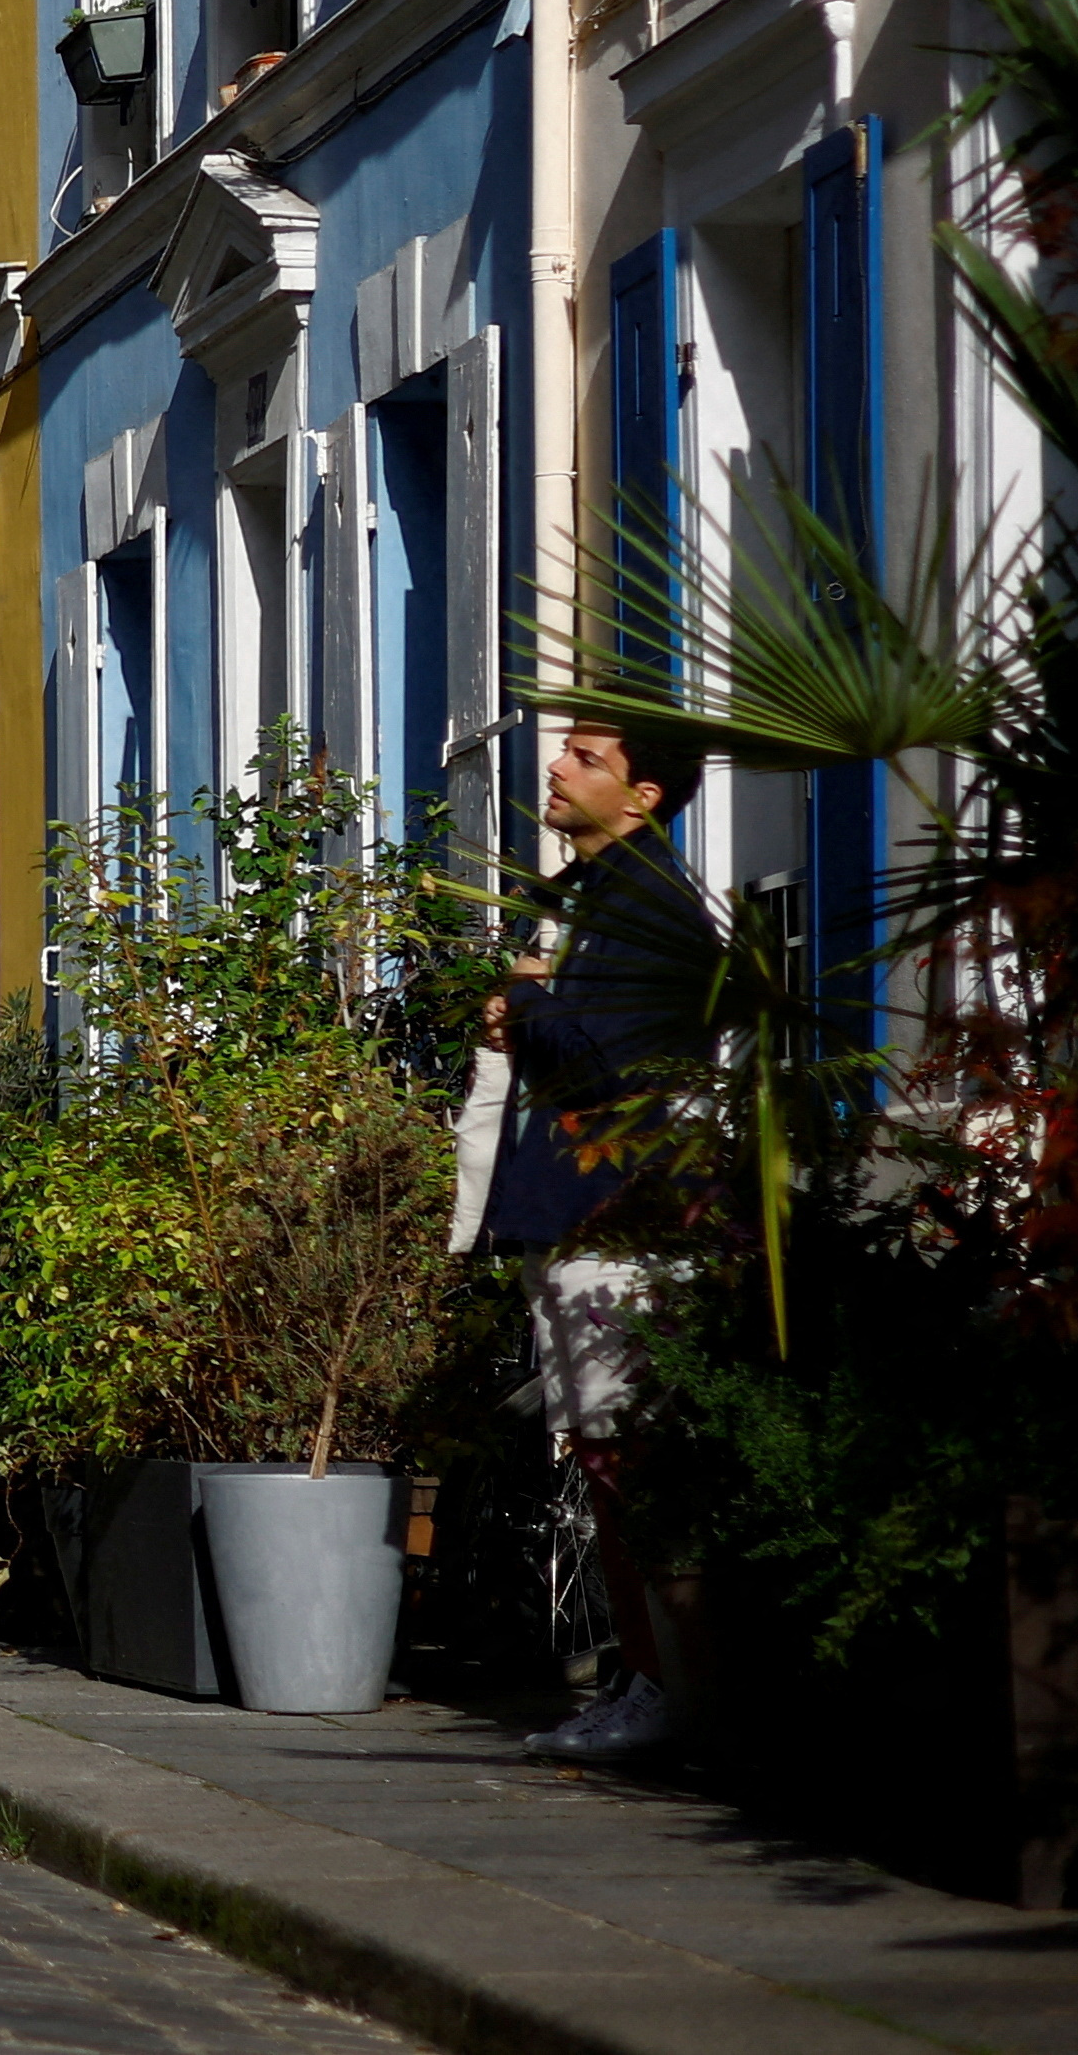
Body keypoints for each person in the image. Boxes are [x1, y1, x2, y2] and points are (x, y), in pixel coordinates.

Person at [479, 712, 716, 1764]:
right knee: (602, 1452)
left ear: (643, 793)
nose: (556, 767)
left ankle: (662, 1687)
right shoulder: (594, 898)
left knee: (623, 1458)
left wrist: (522, 1010)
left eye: (587, 758)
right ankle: (647, 1677)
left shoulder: (649, 907)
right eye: (562, 750)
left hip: (620, 1218)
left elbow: (613, 1070)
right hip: (583, 1211)